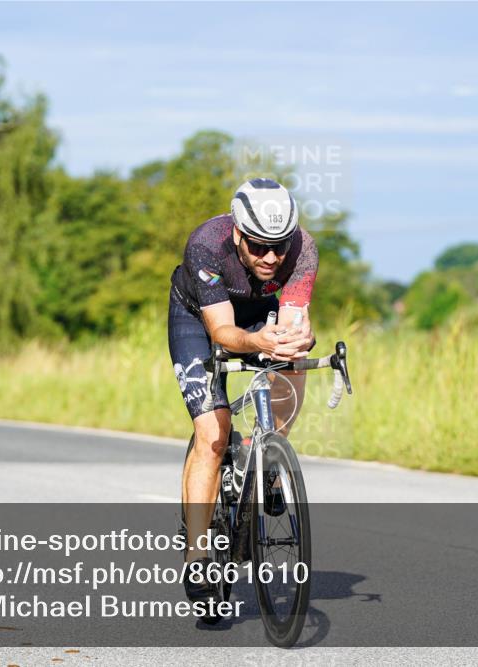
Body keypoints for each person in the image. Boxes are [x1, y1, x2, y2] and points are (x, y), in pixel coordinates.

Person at [168, 178, 318, 610]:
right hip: (200, 318)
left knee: (292, 358)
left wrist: (295, 340)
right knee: (212, 435)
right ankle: (197, 557)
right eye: (258, 247)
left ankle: (267, 450)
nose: (271, 258)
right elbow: (222, 331)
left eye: (279, 246)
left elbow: (292, 321)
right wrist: (258, 342)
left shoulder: (304, 249)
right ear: (237, 233)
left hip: (258, 314)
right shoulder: (206, 245)